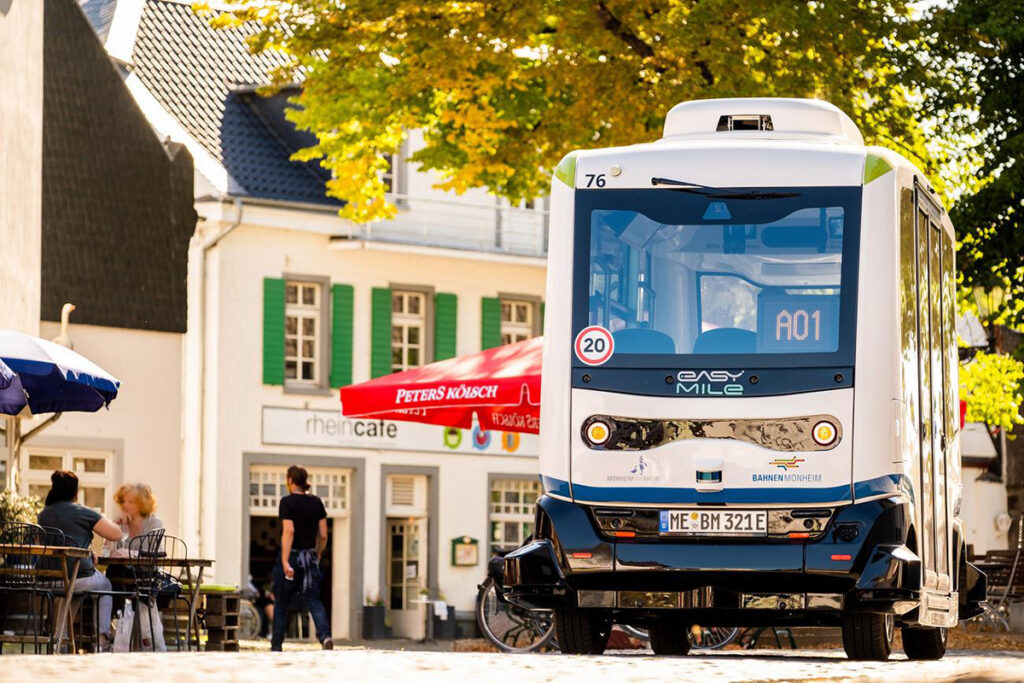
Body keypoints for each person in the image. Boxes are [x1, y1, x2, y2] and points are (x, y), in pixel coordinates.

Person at [37, 470, 122, 651]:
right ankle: (102, 641)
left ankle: (60, 644)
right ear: (75, 492)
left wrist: (86, 551)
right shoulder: (83, 512)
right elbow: (115, 534)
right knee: (104, 585)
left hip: (47, 580)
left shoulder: (44, 514)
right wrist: (110, 518)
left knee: (71, 592)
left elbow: (61, 541)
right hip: (78, 577)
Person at [271, 465, 332, 651]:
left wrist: (284, 560)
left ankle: (276, 646)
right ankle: (325, 637)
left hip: (293, 557)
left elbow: (289, 531)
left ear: (290, 480)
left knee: (281, 603)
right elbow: (323, 535)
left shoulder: (287, 502)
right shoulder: (316, 502)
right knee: (314, 600)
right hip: (310, 558)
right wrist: (318, 552)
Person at [104, 483, 164, 555]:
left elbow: (149, 553)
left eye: (130, 502)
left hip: (147, 566)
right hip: (121, 566)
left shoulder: (153, 522)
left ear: (142, 504)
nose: (125, 505)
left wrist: (128, 553)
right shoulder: (121, 524)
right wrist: (113, 524)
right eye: (123, 501)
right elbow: (107, 553)